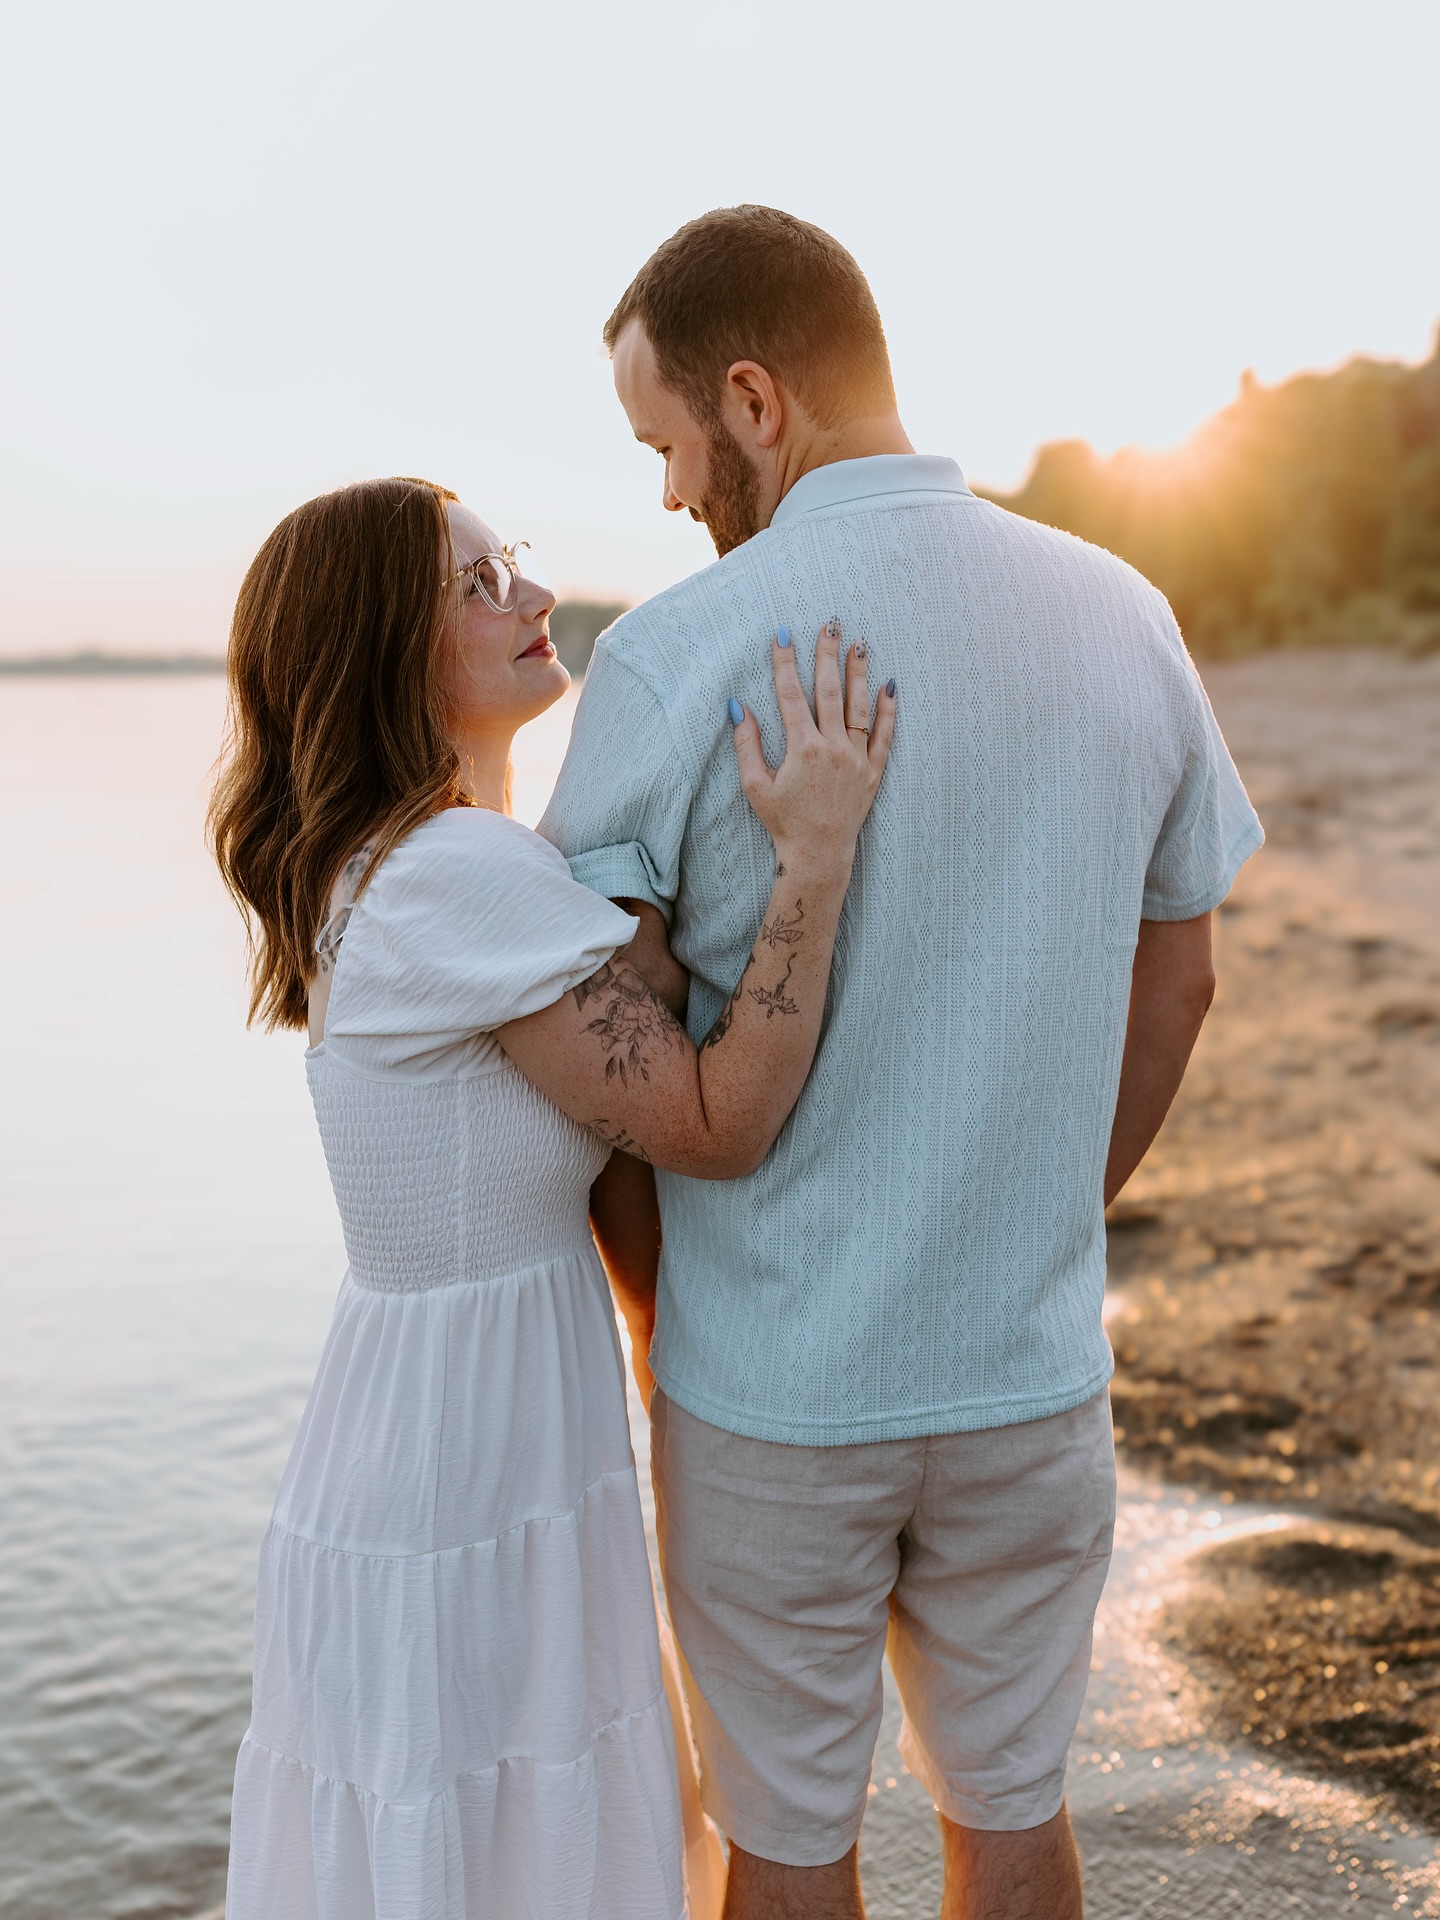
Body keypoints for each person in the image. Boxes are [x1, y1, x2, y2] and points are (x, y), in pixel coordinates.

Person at [540, 205, 1265, 1920]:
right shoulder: (1122, 609)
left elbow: (599, 1057)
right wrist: (1034, 1208)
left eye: (665, 444)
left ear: (754, 399)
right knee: (1013, 1813)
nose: (666, 495)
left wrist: (664, 1314)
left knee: (783, 1844)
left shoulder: (674, 651)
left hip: (773, 1394)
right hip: (1025, 1372)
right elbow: (1187, 974)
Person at [207, 474, 894, 1920]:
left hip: (440, 1414)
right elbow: (715, 1118)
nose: (530, 595)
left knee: (474, 1844)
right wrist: (815, 854)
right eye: (476, 584)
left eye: (508, 562)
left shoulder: (406, 867)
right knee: (509, 1834)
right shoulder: (449, 874)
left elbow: (615, 1007)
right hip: (467, 1452)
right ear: (381, 653)